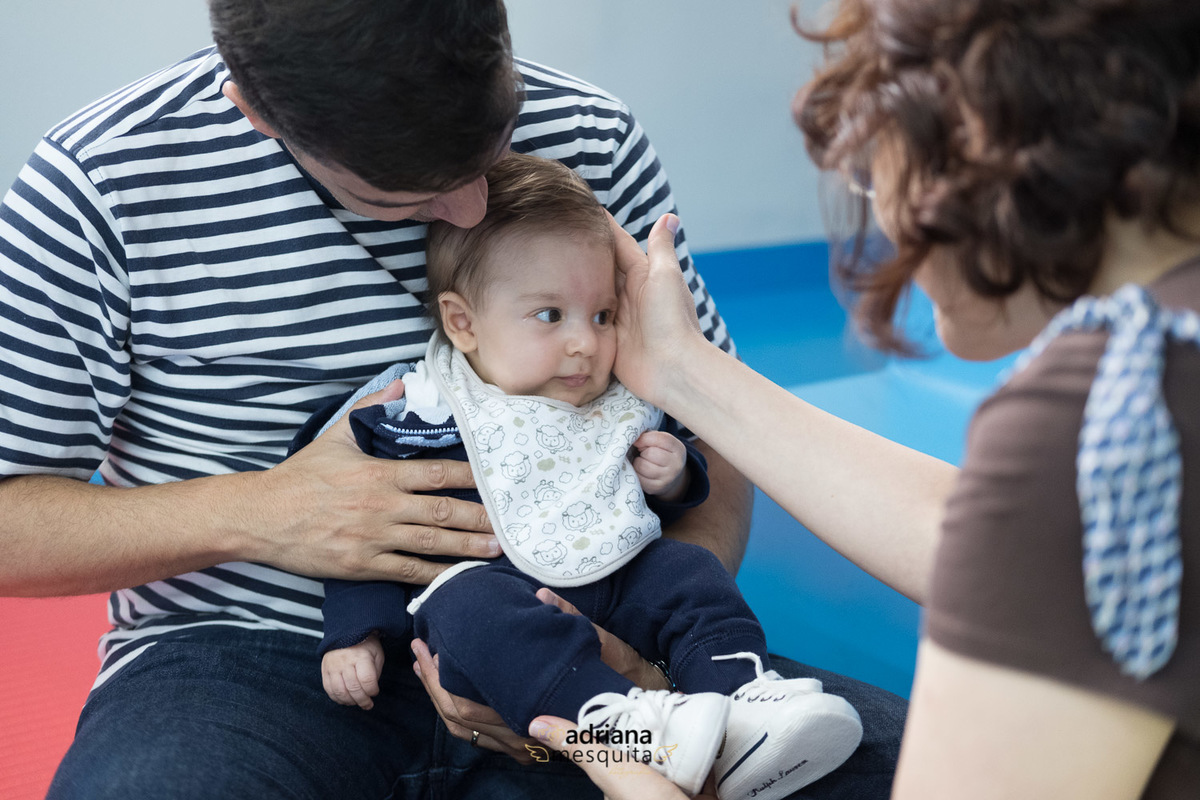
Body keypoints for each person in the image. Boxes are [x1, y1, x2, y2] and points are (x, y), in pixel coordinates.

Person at [0, 1, 906, 797]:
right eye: (410, 193)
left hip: (593, 634)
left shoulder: (590, 133)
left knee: (935, 771)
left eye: (496, 140)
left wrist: (629, 653)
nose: (474, 208)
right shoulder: (101, 185)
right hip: (247, 658)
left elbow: (718, 425)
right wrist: (259, 514)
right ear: (257, 111)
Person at [544, 0, 1200, 798]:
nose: (883, 212)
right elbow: (1006, 544)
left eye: (870, 165)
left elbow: (1050, 515)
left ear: (969, 131)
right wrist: (680, 370)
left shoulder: (1112, 416)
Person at [313, 152, 863, 800]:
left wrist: (678, 476)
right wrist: (355, 634)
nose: (584, 343)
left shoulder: (614, 400)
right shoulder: (426, 407)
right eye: (551, 316)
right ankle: (626, 723)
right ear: (462, 322)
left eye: (601, 316)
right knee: (464, 603)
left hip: (618, 591)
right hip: (496, 647)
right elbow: (366, 528)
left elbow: (683, 485)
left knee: (686, 572)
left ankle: (743, 699)